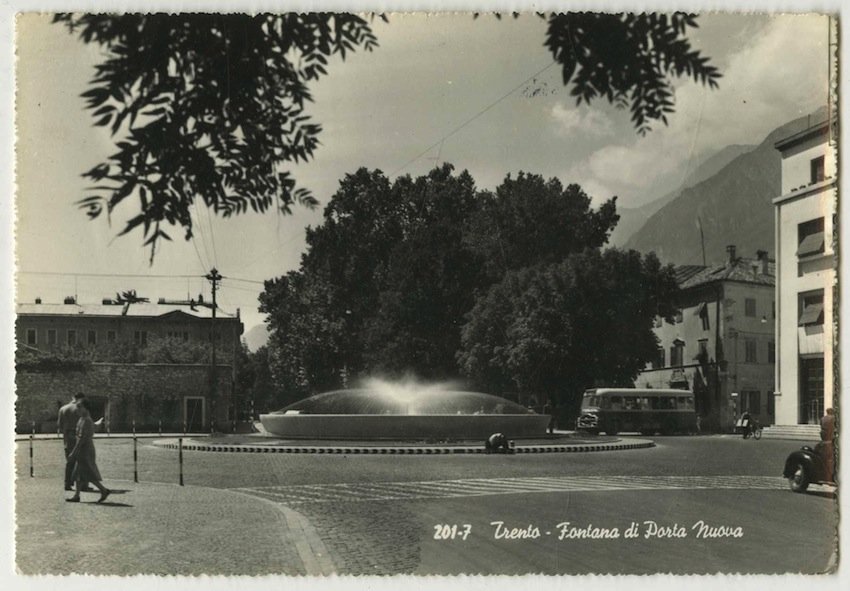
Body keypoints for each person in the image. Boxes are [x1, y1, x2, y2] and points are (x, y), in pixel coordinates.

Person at [66, 399, 111, 503]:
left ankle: (103, 490)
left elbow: (82, 439)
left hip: (85, 450)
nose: (77, 409)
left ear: (86, 408)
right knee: (78, 473)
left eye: (79, 407)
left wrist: (73, 452)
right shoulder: (82, 419)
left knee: (88, 472)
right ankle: (77, 495)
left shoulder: (86, 421)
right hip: (82, 449)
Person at [57, 393, 88, 492]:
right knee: (81, 460)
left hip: (67, 436)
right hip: (78, 435)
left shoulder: (63, 408)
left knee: (70, 461)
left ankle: (67, 483)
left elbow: (59, 425)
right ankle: (82, 484)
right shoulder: (81, 408)